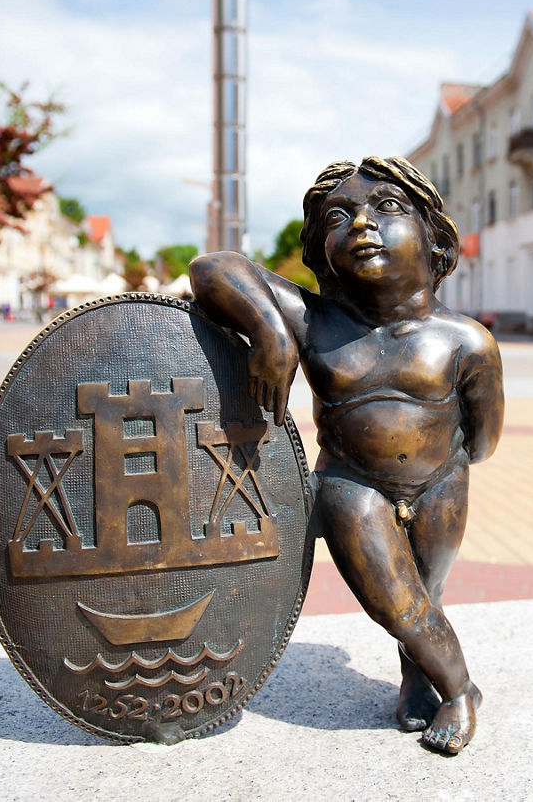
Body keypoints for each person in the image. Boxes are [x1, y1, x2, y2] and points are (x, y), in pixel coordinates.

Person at [190, 156, 504, 754]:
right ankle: (461, 690)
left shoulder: (466, 340)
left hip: (442, 485)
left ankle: (418, 679)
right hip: (349, 484)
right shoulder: (315, 320)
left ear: (434, 237)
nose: (361, 223)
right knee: (398, 601)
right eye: (340, 217)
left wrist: (446, 465)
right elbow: (212, 268)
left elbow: (485, 440)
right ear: (320, 248)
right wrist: (272, 333)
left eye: (386, 209)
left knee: (425, 596)